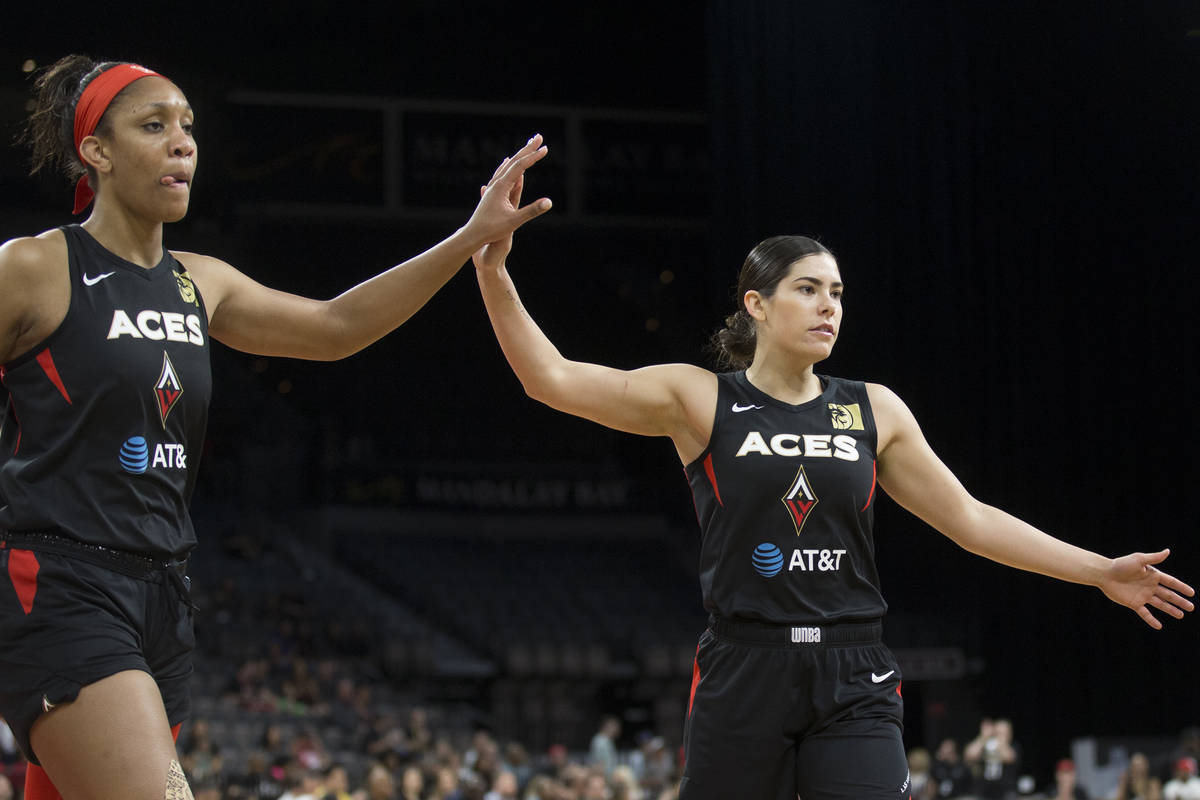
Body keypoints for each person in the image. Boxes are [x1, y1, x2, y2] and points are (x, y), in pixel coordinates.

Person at [471, 229, 1195, 800]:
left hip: (854, 669)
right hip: (742, 666)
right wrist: (494, 272)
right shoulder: (699, 399)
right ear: (756, 303)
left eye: (838, 293)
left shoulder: (872, 407)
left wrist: (1098, 569)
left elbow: (970, 520)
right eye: (808, 289)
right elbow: (551, 379)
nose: (829, 306)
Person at [0, 54, 551, 800]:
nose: (183, 142)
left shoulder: (203, 281)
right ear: (95, 151)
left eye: (189, 126)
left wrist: (466, 239)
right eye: (154, 125)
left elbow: (337, 325)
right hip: (62, 587)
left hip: (163, 594)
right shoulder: (35, 268)